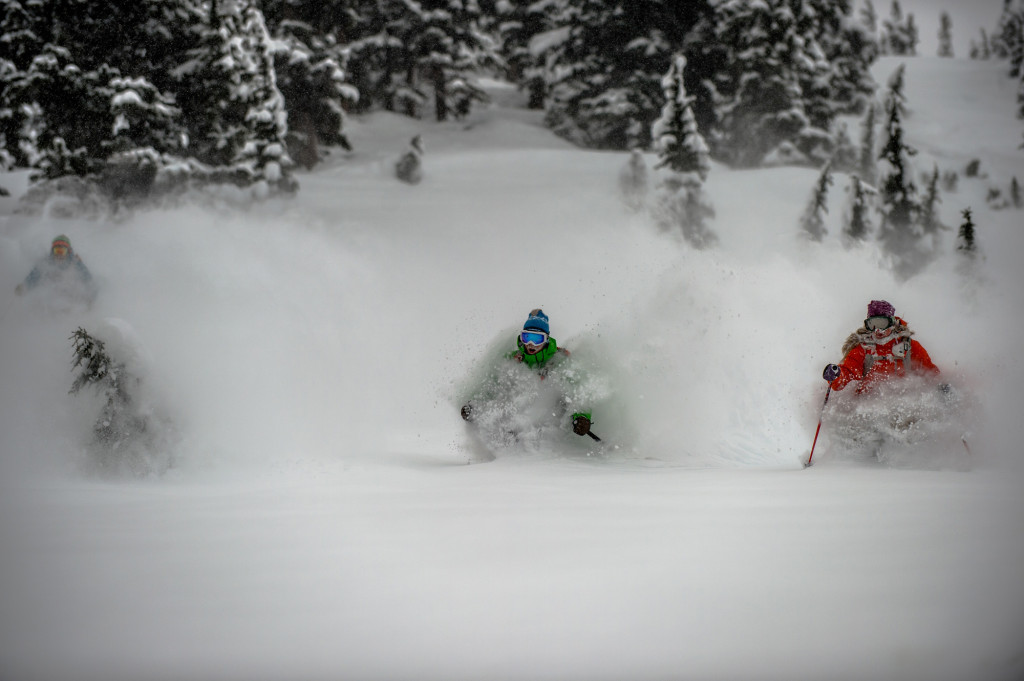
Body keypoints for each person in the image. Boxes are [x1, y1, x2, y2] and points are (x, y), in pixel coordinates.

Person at [461, 308, 594, 437]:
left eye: (537, 339)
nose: (531, 344)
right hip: (517, 420)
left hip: (552, 419)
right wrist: (474, 407)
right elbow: (493, 386)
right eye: (527, 337)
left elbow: (577, 390)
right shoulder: (513, 360)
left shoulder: (559, 359)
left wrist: (581, 417)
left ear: (546, 339)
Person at [822, 300, 940, 394]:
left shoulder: (909, 347)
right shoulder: (863, 349)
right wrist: (836, 375)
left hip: (905, 405)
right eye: (872, 325)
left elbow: (929, 373)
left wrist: (941, 387)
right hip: (868, 409)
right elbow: (844, 378)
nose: (878, 330)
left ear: (892, 323)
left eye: (882, 324)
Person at [15, 234, 96, 300]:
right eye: (57, 250)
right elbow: (34, 276)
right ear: (52, 251)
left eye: (62, 251)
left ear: (68, 252)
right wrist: (24, 286)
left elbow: (88, 280)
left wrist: (91, 297)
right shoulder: (46, 262)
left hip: (71, 296)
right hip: (52, 296)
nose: (59, 254)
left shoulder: (75, 263)